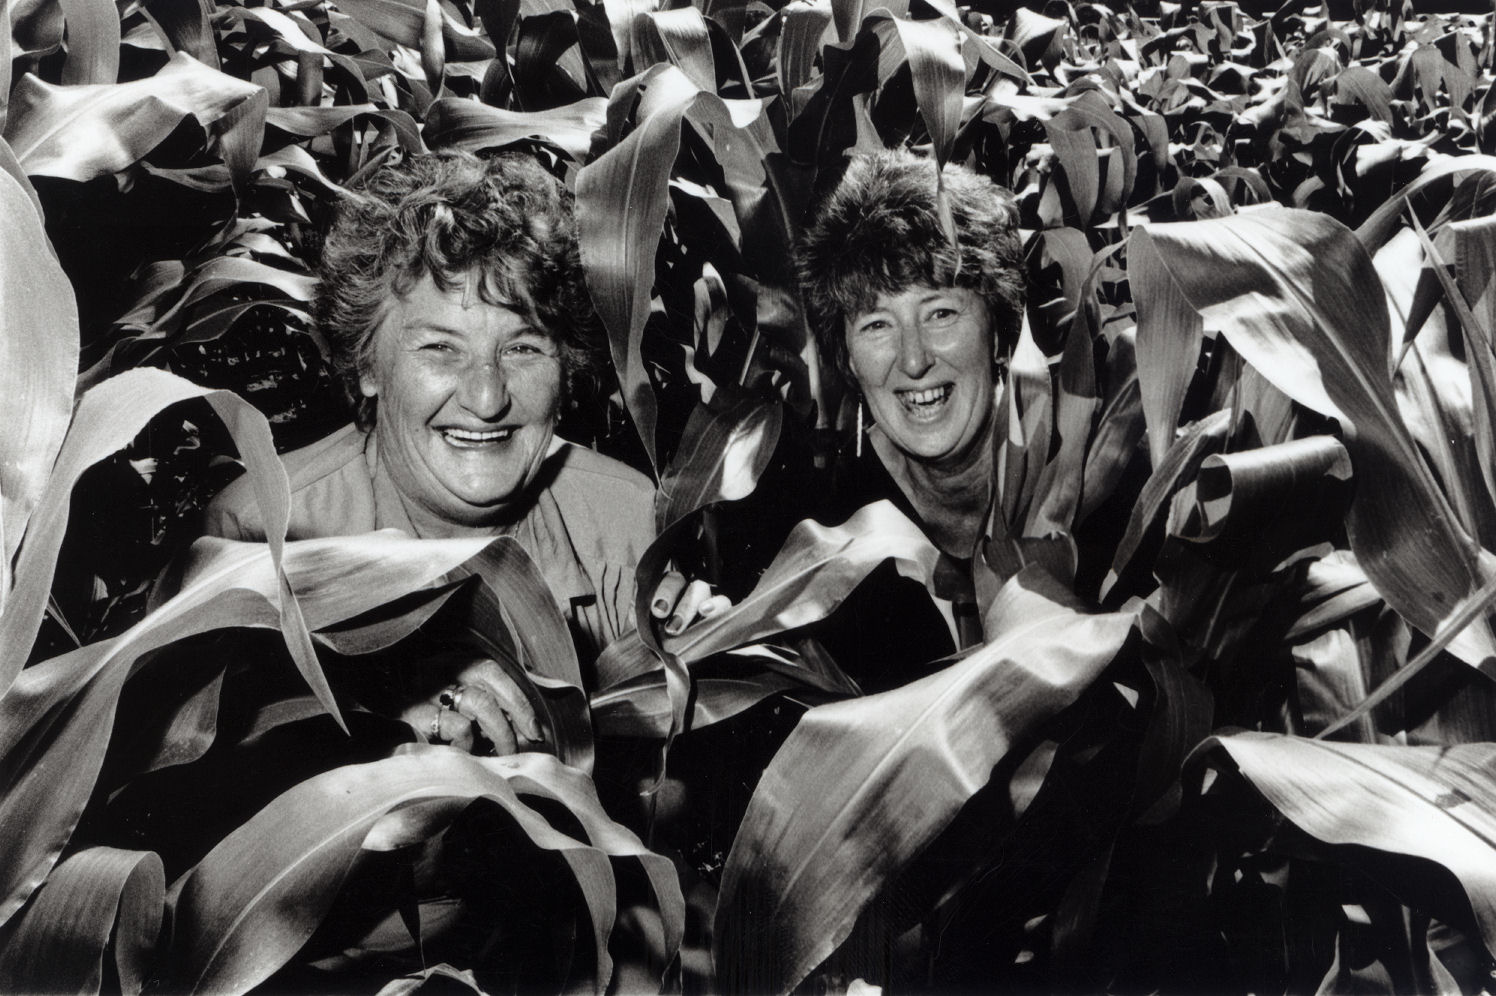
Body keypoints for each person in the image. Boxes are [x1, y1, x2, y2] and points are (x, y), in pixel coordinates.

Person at [202, 149, 724, 753]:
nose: (486, 397)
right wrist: (384, 715)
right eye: (440, 349)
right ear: (368, 364)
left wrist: (701, 671)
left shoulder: (629, 517)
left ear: (567, 366)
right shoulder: (257, 533)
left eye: (522, 348)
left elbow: (671, 804)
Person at [793, 147, 1026, 686]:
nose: (915, 359)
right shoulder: (831, 533)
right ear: (847, 357)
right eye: (877, 325)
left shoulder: (1080, 470)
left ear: (997, 327)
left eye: (940, 313)